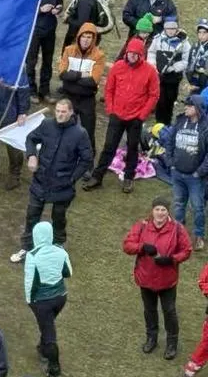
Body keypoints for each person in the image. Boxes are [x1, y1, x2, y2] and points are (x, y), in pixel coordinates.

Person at [10, 99, 93, 263]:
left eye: (63, 112)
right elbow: (31, 138)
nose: (60, 115)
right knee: (32, 215)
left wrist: (72, 178)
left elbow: (87, 159)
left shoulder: (80, 134)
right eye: (58, 111)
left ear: (70, 113)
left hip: (63, 185)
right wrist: (32, 155)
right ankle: (27, 248)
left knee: (59, 217)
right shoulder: (47, 125)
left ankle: (58, 247)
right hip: (41, 180)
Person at [84, 37, 160, 193]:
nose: (132, 56)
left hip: (136, 117)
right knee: (109, 146)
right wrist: (110, 109)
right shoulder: (118, 67)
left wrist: (142, 114)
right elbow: (109, 89)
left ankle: (128, 178)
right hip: (117, 114)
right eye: (130, 53)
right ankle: (97, 177)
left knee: (133, 147)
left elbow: (154, 95)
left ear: (141, 55)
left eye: (135, 54)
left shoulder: (150, 71)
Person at [123, 196, 192, 360]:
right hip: (146, 279)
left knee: (169, 311)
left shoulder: (177, 229)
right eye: (157, 209)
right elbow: (127, 245)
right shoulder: (142, 226)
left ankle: (171, 343)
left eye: (163, 210)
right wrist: (141, 247)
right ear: (152, 210)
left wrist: (172, 259)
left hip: (167, 280)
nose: (160, 213)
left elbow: (187, 250)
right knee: (149, 310)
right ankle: (151, 338)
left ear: (168, 211)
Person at [24, 221, 72, 377]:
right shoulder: (60, 250)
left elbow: (30, 283)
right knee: (48, 325)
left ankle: (54, 369)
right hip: (60, 297)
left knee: (49, 333)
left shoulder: (32, 256)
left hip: (41, 301)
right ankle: (43, 347)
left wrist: (30, 301)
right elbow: (68, 272)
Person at [166, 95, 208, 250]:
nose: (186, 108)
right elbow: (169, 141)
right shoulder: (179, 121)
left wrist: (200, 172)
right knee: (178, 203)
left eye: (189, 106)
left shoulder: (205, 127)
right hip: (177, 173)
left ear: (197, 108)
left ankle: (198, 235)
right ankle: (179, 232)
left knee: (197, 207)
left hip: (195, 177)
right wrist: (170, 163)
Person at [58, 23, 108, 151]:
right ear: (79, 37)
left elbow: (93, 80)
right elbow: (62, 74)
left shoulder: (99, 55)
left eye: (89, 37)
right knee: (65, 127)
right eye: (83, 36)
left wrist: (72, 77)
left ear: (94, 39)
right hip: (69, 97)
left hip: (87, 99)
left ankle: (88, 158)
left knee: (88, 131)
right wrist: (82, 75)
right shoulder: (69, 50)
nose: (85, 40)